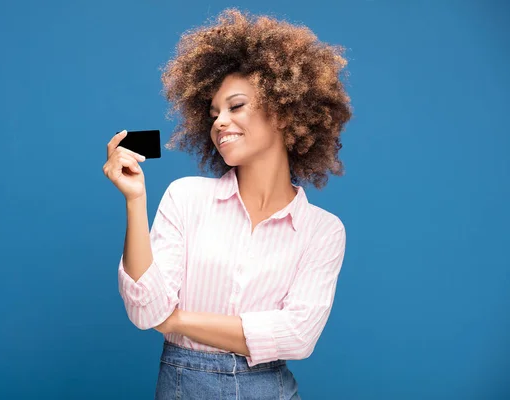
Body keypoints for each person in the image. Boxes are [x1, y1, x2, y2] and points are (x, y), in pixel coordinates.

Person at [103, 8, 352, 399]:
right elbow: (145, 312)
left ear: (285, 112)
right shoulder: (186, 197)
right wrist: (135, 200)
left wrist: (177, 319)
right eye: (213, 112)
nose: (219, 121)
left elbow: (298, 336)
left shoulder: (322, 230)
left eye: (235, 106)